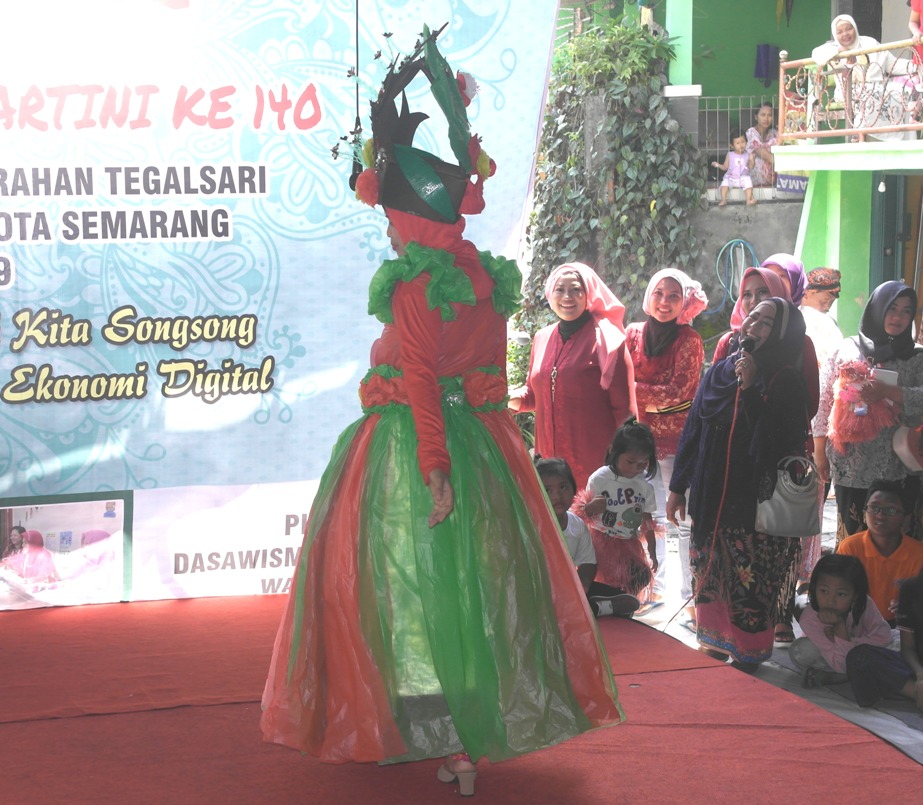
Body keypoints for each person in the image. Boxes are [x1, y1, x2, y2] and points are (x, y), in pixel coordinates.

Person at [260, 28, 622, 794]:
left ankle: (435, 726)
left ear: (412, 219)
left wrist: (433, 465)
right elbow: (477, 371)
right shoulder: (477, 277)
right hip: (483, 443)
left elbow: (421, 377)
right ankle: (458, 732)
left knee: (408, 585)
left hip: (414, 444)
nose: (387, 225)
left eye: (392, 215)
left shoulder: (419, 284)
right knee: (471, 588)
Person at [667, 298, 810, 671]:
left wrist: (750, 391)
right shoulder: (720, 370)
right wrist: (678, 486)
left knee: (748, 576)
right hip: (710, 490)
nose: (753, 326)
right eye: (753, 317)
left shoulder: (785, 379)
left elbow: (777, 443)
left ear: (783, 334)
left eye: (766, 323)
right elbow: (694, 428)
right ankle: (713, 640)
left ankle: (748, 651)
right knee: (708, 565)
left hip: (753, 498)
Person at [509, 262, 636, 491]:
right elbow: (535, 394)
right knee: (554, 513)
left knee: (589, 513)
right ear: (550, 294)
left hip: (595, 464)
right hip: (549, 464)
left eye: (576, 289)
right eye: (560, 289)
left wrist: (624, 464)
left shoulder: (608, 341)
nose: (567, 297)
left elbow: (626, 413)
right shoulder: (541, 338)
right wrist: (507, 398)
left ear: (588, 294)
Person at [625, 268, 707, 618]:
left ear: (684, 301)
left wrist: (634, 393)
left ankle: (690, 597)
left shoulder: (689, 340)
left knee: (682, 519)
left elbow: (680, 392)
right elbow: (620, 380)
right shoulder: (632, 333)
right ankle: (650, 589)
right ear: (649, 296)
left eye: (674, 296)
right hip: (639, 442)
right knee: (647, 516)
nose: (664, 302)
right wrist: (650, 398)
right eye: (659, 293)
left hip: (678, 441)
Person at [814, 281, 923, 538]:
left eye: (906, 311)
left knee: (895, 540)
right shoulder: (846, 349)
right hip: (851, 465)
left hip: (899, 465)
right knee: (852, 539)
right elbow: (824, 401)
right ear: (877, 308)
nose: (898, 317)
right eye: (892, 308)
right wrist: (819, 453)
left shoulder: (917, 357)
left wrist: (889, 392)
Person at [535, 456, 640, 618]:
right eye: (548, 490)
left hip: (569, 589)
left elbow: (588, 563)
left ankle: (591, 607)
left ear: (573, 489)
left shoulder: (577, 526)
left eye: (563, 487)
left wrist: (582, 587)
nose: (557, 496)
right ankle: (593, 609)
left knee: (628, 601)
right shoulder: (532, 526)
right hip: (538, 591)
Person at [581, 420, 659, 604]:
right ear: (613, 452)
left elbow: (647, 519)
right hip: (601, 541)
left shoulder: (644, 484)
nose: (636, 468)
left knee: (639, 578)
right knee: (606, 582)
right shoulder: (600, 478)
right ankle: (602, 609)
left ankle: (620, 610)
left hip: (629, 542)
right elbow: (582, 514)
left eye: (643, 463)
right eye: (630, 461)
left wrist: (652, 549)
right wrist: (590, 507)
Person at [790, 554, 892, 689]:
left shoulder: (864, 604)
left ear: (855, 595)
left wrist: (847, 640)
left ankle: (836, 678)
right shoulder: (809, 619)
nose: (830, 601)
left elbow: (885, 638)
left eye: (841, 594)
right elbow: (842, 665)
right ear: (814, 588)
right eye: (824, 591)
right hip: (835, 659)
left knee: (898, 646)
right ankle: (858, 676)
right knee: (800, 650)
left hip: (863, 652)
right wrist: (840, 628)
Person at [811, 14, 917, 142]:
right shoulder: (832, 48)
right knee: (871, 95)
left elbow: (891, 64)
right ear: (835, 34)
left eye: (848, 29)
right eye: (840, 32)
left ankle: (901, 139)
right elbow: (816, 54)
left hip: (877, 86)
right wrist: (840, 50)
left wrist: (916, 66)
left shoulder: (869, 43)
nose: (845, 34)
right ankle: (861, 134)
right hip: (848, 90)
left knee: (902, 92)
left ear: (855, 28)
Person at [836, 480, 923, 625]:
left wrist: (912, 605)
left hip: (904, 625)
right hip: (857, 622)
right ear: (864, 514)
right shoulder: (850, 548)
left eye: (891, 510)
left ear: (906, 519)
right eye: (874, 508)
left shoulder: (919, 554)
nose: (880, 515)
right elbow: (838, 590)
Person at [846, 566, 923, 711]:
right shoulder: (912, 588)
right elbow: (908, 647)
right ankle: (916, 692)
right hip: (916, 666)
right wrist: (920, 674)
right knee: (859, 656)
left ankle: (909, 691)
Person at [801, 267, 843, 368]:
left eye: (831, 302)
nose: (827, 307)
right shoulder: (795, 318)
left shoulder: (829, 323)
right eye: (824, 301)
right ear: (806, 293)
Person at [711, 130, 755, 206]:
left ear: (746, 142)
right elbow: (725, 167)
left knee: (748, 183)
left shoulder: (747, 155)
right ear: (731, 145)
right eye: (738, 143)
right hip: (730, 178)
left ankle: (748, 200)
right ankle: (723, 200)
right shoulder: (730, 155)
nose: (741, 145)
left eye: (743, 142)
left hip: (743, 178)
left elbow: (751, 167)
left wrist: (752, 160)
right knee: (724, 184)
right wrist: (718, 165)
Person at [745, 101, 778, 187]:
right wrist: (782, 163)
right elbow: (763, 154)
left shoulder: (774, 133)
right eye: (763, 115)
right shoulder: (751, 132)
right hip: (754, 183)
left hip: (772, 182)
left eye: (769, 115)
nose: (766, 119)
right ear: (756, 117)